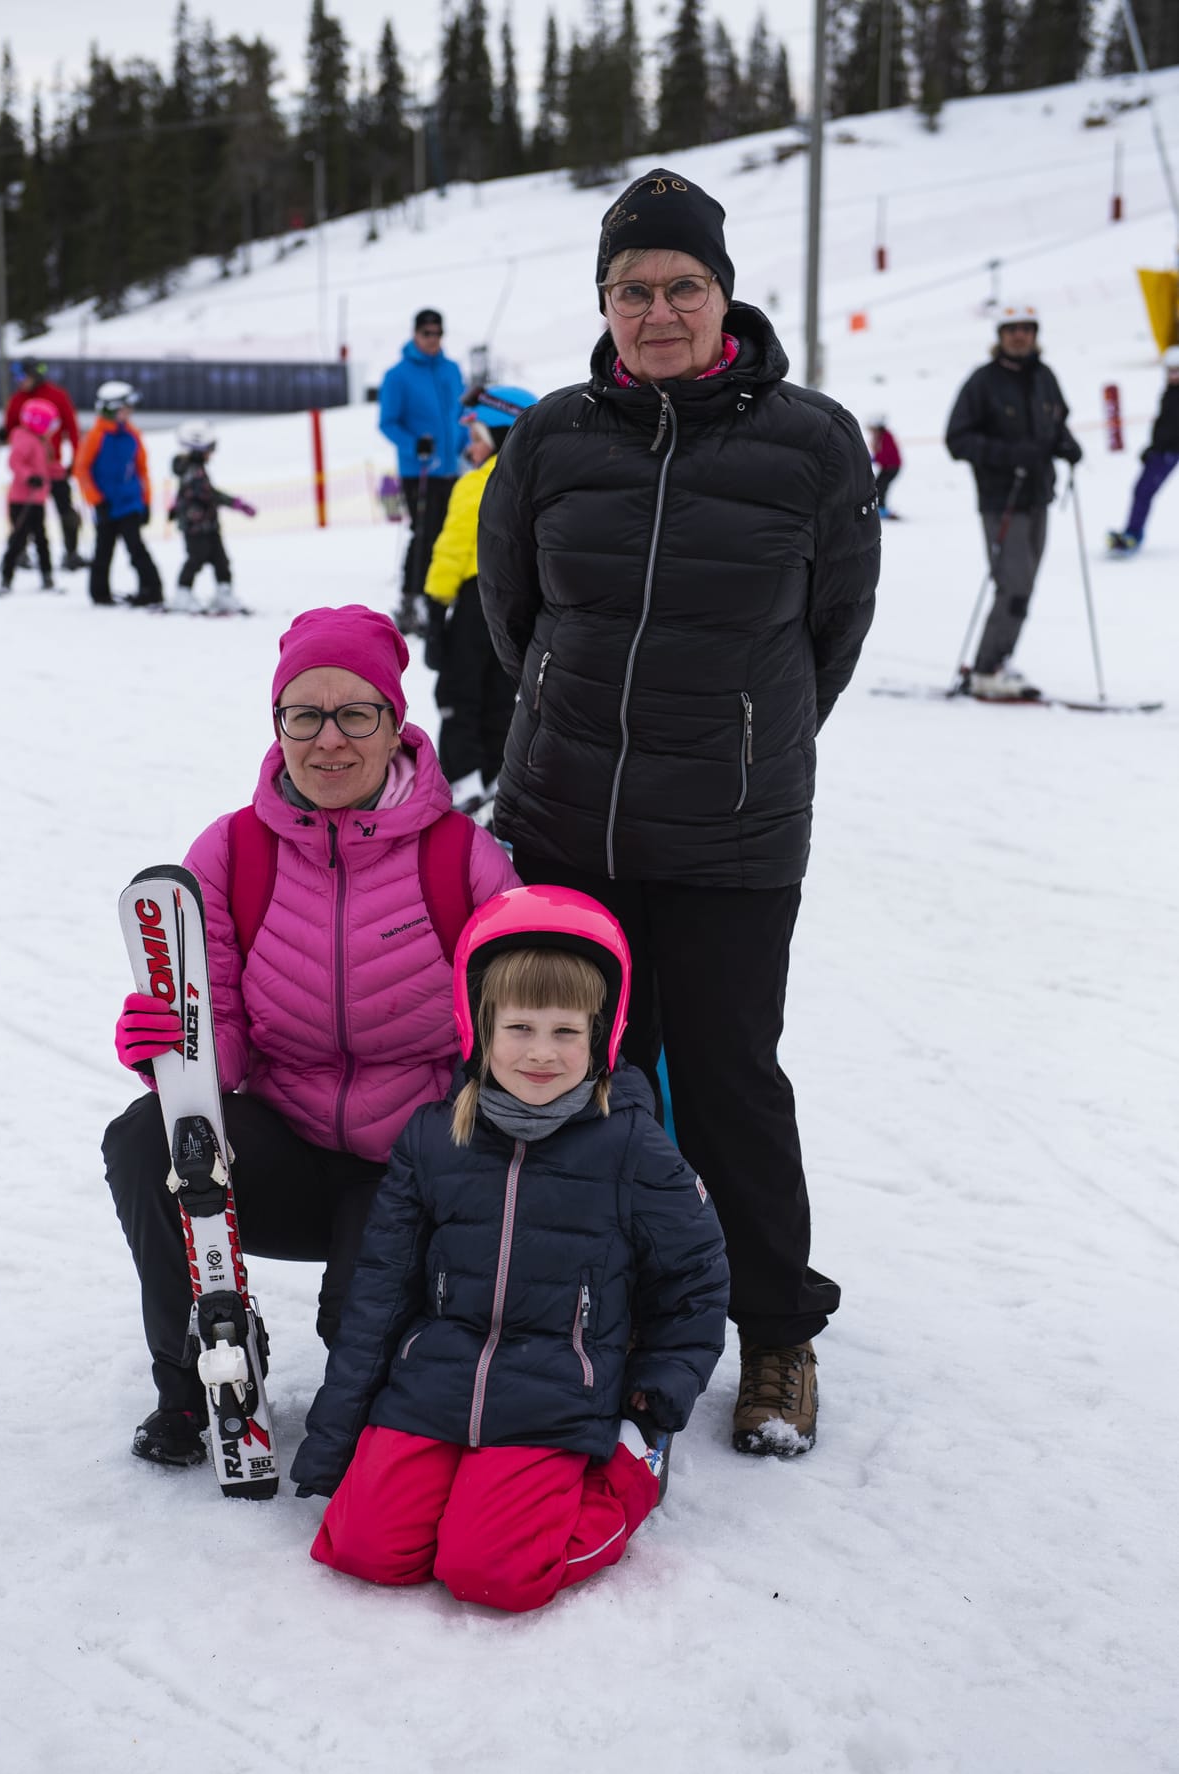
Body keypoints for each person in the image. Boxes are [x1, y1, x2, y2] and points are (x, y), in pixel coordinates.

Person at [478, 167, 880, 1459]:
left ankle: (774, 1333)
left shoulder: (811, 443)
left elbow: (831, 634)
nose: (658, 311)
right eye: (632, 290)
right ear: (604, 304)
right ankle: (589, 1306)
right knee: (566, 1082)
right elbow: (512, 617)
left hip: (729, 836)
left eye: (682, 288)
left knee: (725, 1090)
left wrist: (742, 743)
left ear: (724, 296)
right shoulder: (550, 438)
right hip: (564, 829)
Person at [104, 605, 519, 1468]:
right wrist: (172, 1050)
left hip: (407, 1165)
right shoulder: (232, 855)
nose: (329, 740)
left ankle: (375, 1363)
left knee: (361, 1375)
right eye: (305, 714)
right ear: (279, 725)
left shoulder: (462, 860)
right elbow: (222, 1039)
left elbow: (506, 1042)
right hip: (283, 1147)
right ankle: (194, 1380)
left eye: (355, 713)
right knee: (147, 1139)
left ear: (394, 723)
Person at [292, 883, 730, 1613]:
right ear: (478, 1026)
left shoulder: (632, 1147)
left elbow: (696, 1281)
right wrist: (337, 1436)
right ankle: (452, 1483)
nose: (541, 1053)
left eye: (566, 1032)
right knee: (360, 1547)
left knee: (491, 1572)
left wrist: (653, 1406)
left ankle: (632, 1477)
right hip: (433, 1382)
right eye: (520, 1028)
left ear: (602, 1035)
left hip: (557, 1391)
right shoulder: (435, 1138)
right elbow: (382, 1287)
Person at [945, 301, 1082, 699]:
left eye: (1026, 328)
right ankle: (987, 669)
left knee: (1025, 584)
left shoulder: (1045, 377)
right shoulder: (983, 381)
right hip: (1001, 498)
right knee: (1014, 584)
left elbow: (1056, 423)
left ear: (1035, 334)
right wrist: (1009, 455)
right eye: (1011, 329)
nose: (1019, 335)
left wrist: (1067, 444)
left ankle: (999, 659)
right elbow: (958, 439)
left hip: (1039, 496)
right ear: (1000, 336)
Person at [424, 384, 538, 815]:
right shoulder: (536, 483)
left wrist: (436, 610)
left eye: (476, 439)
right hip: (521, 608)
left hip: (475, 602)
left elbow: (452, 549)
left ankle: (461, 778)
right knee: (500, 693)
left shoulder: (477, 484)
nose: (470, 449)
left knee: (459, 690)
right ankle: (495, 774)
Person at [378, 308, 467, 632]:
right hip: (420, 470)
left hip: (452, 467)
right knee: (425, 532)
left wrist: (467, 442)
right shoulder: (398, 375)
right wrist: (415, 444)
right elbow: (388, 423)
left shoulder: (452, 370)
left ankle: (440, 596)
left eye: (438, 334)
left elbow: (462, 412)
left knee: (451, 532)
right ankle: (411, 599)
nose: (433, 340)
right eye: (427, 333)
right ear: (415, 334)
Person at [74, 380, 164, 608]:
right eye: (125, 409)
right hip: (106, 504)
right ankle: (99, 593)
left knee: (137, 549)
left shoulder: (132, 435)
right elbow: (82, 469)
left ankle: (152, 590)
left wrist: (145, 502)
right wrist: (96, 499)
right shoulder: (95, 436)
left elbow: (141, 470)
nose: (129, 413)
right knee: (103, 551)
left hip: (130, 504)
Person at [168, 419, 256, 613]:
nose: (212, 453)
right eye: (209, 449)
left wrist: (175, 506)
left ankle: (224, 593)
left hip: (208, 525)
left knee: (220, 560)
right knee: (195, 559)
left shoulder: (195, 470)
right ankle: (182, 593)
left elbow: (185, 493)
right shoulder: (193, 472)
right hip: (195, 527)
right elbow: (209, 494)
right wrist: (235, 503)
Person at [3, 359, 84, 569]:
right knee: (26, 512)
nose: (20, 382)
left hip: (53, 466)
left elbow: (72, 429)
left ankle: (71, 551)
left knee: (66, 511)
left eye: (23, 377)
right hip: (31, 469)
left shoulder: (56, 395)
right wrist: (5, 432)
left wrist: (75, 462)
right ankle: (20, 551)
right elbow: (12, 430)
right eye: (17, 378)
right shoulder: (17, 399)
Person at [1107, 345, 1179, 554]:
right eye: (1170, 371)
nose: (1173, 375)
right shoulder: (1170, 392)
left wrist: (1162, 449)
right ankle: (1132, 532)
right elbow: (1164, 426)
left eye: (1177, 370)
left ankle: (1133, 534)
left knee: (1144, 490)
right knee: (1141, 491)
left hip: (1169, 452)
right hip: (1161, 451)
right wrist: (1152, 448)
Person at [0, 396, 59, 595]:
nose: (52, 430)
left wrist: (61, 472)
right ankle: (6, 577)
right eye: (50, 425)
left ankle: (47, 577)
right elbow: (15, 462)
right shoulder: (25, 439)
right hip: (21, 500)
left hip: (37, 499)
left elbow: (45, 466)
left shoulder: (40, 441)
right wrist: (29, 477)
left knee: (41, 539)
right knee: (18, 540)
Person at [867, 418, 902, 517]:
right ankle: (880, 507)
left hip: (892, 467)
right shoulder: (879, 437)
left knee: (881, 486)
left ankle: (881, 509)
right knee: (878, 485)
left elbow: (887, 454)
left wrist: (875, 458)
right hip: (886, 467)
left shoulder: (886, 437)